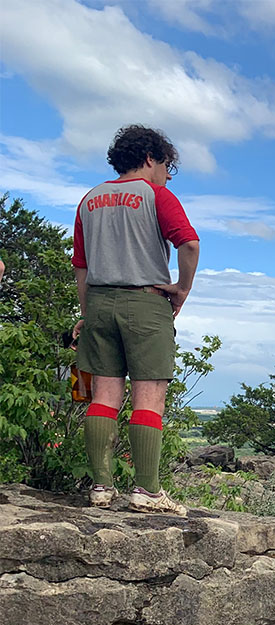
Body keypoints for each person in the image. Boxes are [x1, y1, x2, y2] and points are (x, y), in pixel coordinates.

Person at [72, 125, 199, 515]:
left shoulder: (89, 199)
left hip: (100, 301)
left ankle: (101, 486)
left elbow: (81, 265)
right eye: (165, 166)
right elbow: (189, 243)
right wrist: (181, 288)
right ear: (150, 159)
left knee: (104, 396)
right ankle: (147, 490)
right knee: (149, 397)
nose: (166, 175)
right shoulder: (156, 195)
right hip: (145, 303)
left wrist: (87, 312)